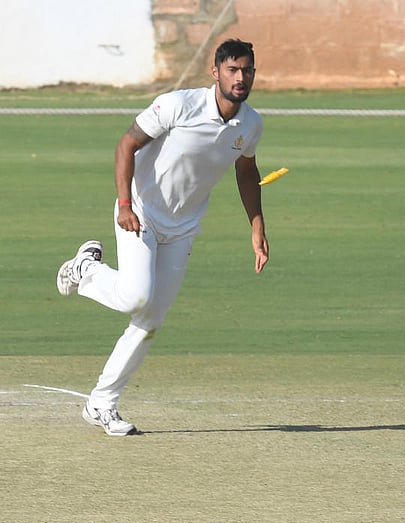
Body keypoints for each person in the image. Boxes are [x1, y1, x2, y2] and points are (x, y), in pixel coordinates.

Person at [55, 39, 269, 437]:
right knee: (136, 296)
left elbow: (245, 171)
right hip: (141, 211)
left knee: (150, 319)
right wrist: (123, 205)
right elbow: (126, 144)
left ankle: (101, 403)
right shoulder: (178, 105)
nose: (241, 78)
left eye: (248, 70)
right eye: (233, 70)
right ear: (216, 72)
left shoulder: (251, 124)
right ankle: (86, 270)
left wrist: (257, 225)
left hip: (183, 226)